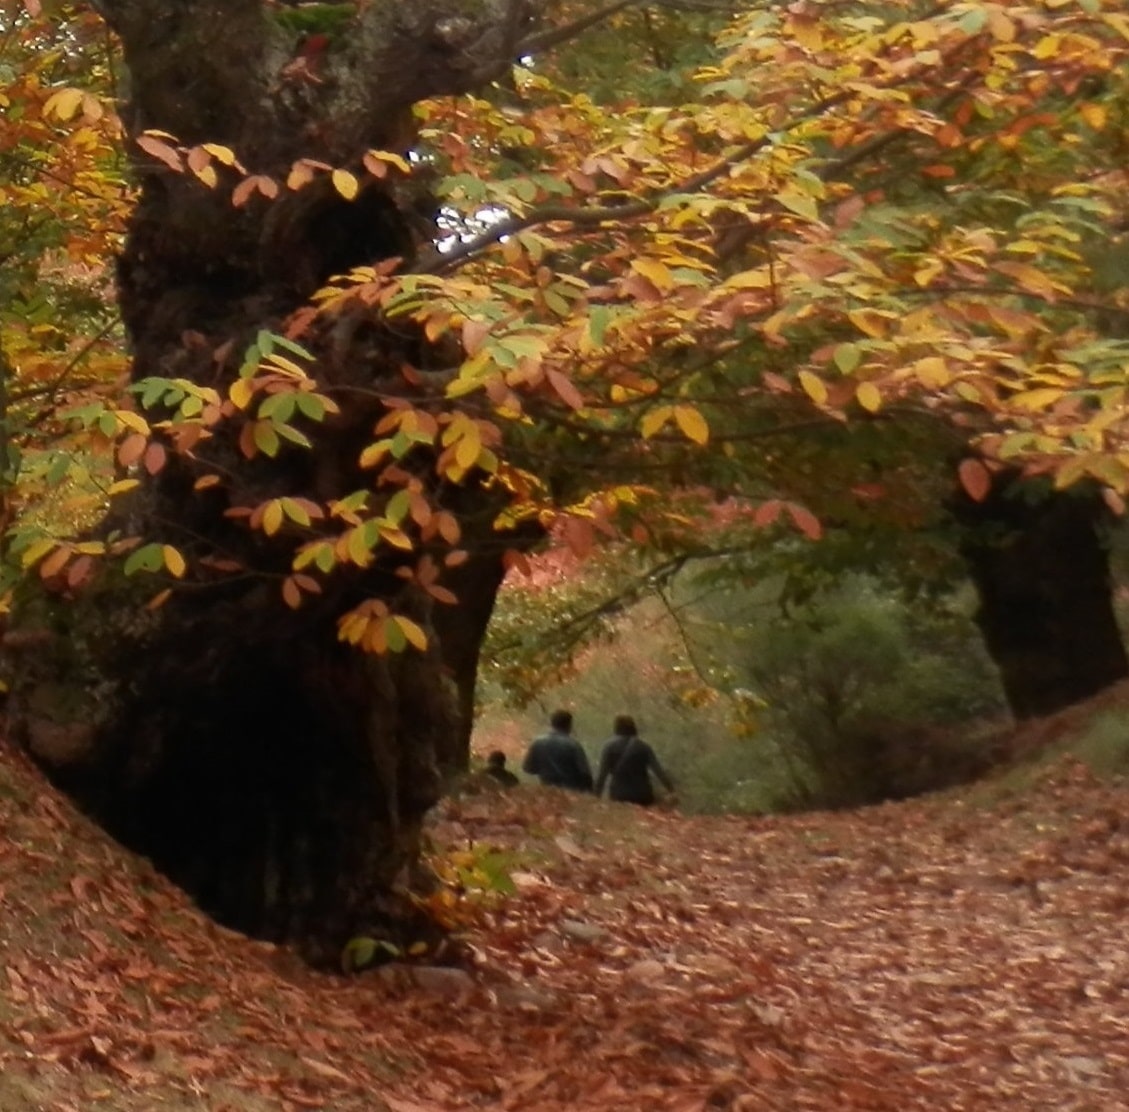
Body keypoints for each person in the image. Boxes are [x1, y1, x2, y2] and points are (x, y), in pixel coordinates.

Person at [594, 715, 673, 806]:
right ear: (633, 728)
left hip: (619, 795)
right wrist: (671, 790)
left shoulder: (609, 747)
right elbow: (659, 771)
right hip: (643, 796)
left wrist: (596, 797)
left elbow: (602, 776)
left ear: (616, 728)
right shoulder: (644, 746)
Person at [522, 709, 594, 792]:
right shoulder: (573, 745)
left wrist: (545, 770)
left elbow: (527, 768)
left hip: (546, 790)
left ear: (551, 723)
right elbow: (585, 773)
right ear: (569, 725)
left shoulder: (538, 743)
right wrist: (590, 792)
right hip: (570, 792)